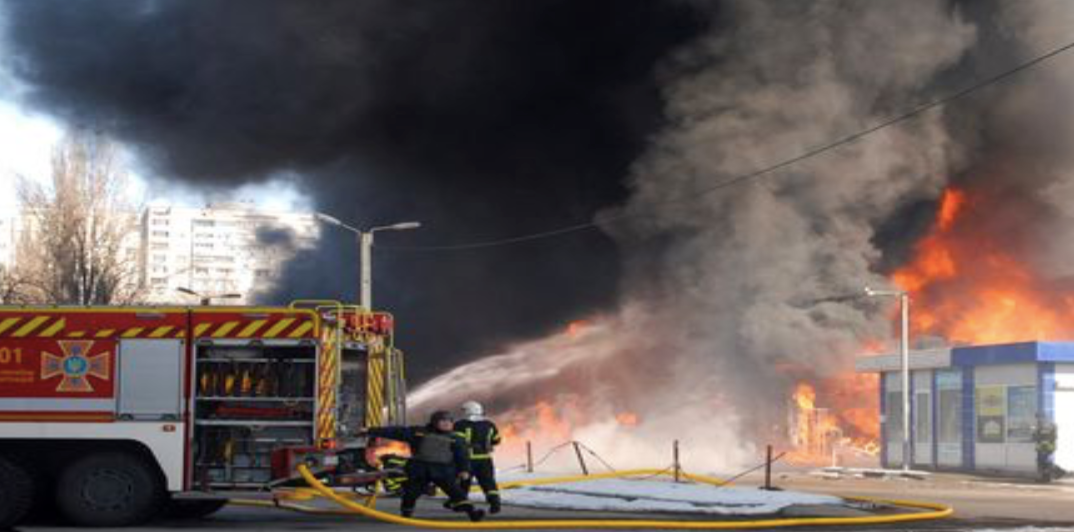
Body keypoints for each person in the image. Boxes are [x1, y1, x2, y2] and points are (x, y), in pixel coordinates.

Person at [361, 411, 484, 521]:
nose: (447, 424)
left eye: (449, 421)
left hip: (443, 471)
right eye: (443, 421)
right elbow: (396, 432)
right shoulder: (419, 432)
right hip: (420, 470)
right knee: (411, 493)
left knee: (456, 492)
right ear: (434, 422)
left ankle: (473, 513)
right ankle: (406, 513)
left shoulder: (456, 439)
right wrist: (370, 431)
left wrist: (464, 470)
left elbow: (462, 456)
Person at [453, 400, 503, 514]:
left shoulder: (460, 425)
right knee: (488, 482)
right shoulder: (489, 424)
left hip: (466, 459)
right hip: (485, 459)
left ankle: (461, 505)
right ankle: (495, 503)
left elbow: (456, 442)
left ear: (467, 411)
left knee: (464, 483)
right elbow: (496, 440)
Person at [1033, 414, 1060, 483]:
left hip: (1045, 447)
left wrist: (1036, 434)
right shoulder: (1051, 425)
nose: (1038, 419)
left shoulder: (1043, 426)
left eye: (1038, 417)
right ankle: (1046, 477)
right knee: (1044, 462)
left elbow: (1039, 436)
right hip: (1046, 447)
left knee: (1043, 462)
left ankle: (1045, 477)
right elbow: (1054, 436)